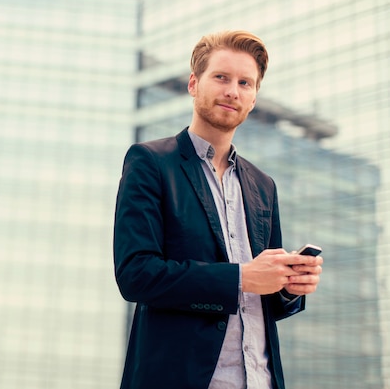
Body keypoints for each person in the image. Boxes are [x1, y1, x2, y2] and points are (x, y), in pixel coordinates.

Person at [113, 30, 323, 389]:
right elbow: (136, 274)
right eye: (221, 77)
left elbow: (264, 303)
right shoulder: (150, 162)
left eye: (245, 82)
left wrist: (288, 286)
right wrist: (241, 277)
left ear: (254, 98)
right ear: (194, 84)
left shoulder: (263, 185)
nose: (233, 91)